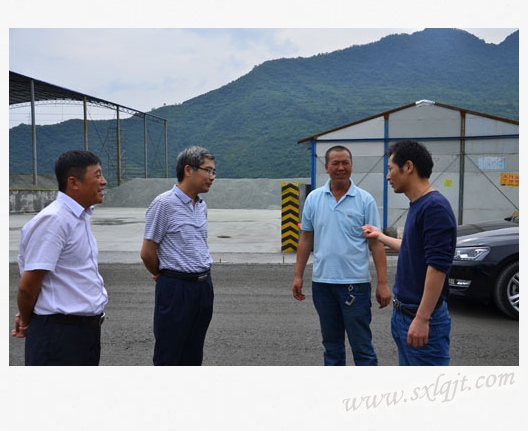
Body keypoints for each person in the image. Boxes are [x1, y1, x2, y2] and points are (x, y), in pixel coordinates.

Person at [292, 145, 391, 366]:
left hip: (355, 285)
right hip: (322, 285)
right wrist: (298, 276)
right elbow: (306, 239)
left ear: (351, 165)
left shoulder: (364, 200)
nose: (341, 167)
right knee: (332, 346)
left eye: (345, 162)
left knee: (362, 346)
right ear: (326, 167)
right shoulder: (314, 199)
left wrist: (383, 283)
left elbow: (375, 244)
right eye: (335, 163)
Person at [362, 139, 457, 366]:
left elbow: (437, 267)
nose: (388, 176)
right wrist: (380, 236)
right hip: (404, 315)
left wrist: (422, 318)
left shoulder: (434, 207)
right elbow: (411, 248)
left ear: (408, 167)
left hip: (421, 317)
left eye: (390, 169)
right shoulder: (420, 204)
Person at [11, 150, 108, 366]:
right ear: (73, 183)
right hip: (60, 336)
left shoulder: (78, 217)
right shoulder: (55, 220)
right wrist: (27, 320)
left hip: (82, 333)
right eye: (97, 175)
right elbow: (27, 286)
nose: (104, 181)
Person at [140, 146, 216, 366]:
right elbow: (147, 252)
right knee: (170, 354)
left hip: (203, 287)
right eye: (208, 170)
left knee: (194, 352)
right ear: (188, 170)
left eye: (214, 172)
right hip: (176, 289)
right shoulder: (164, 204)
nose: (212, 177)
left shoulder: (201, 206)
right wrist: (161, 273)